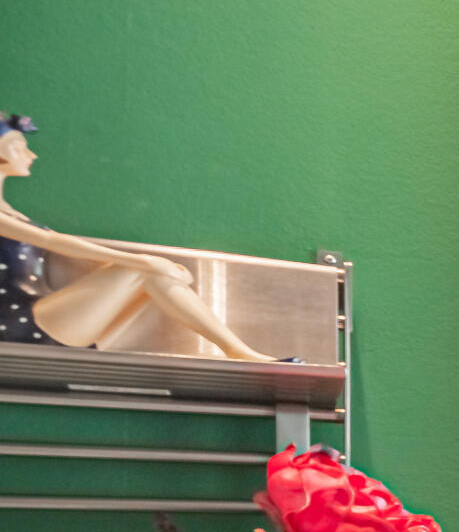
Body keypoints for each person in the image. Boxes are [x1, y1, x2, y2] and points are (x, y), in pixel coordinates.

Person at [0, 115, 274, 359]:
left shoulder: (12, 213)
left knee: (148, 272)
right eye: (19, 147)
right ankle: (237, 351)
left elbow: (71, 256)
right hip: (15, 327)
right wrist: (143, 261)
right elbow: (54, 242)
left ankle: (238, 351)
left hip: (41, 315)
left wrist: (159, 268)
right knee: (143, 270)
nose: (31, 155)